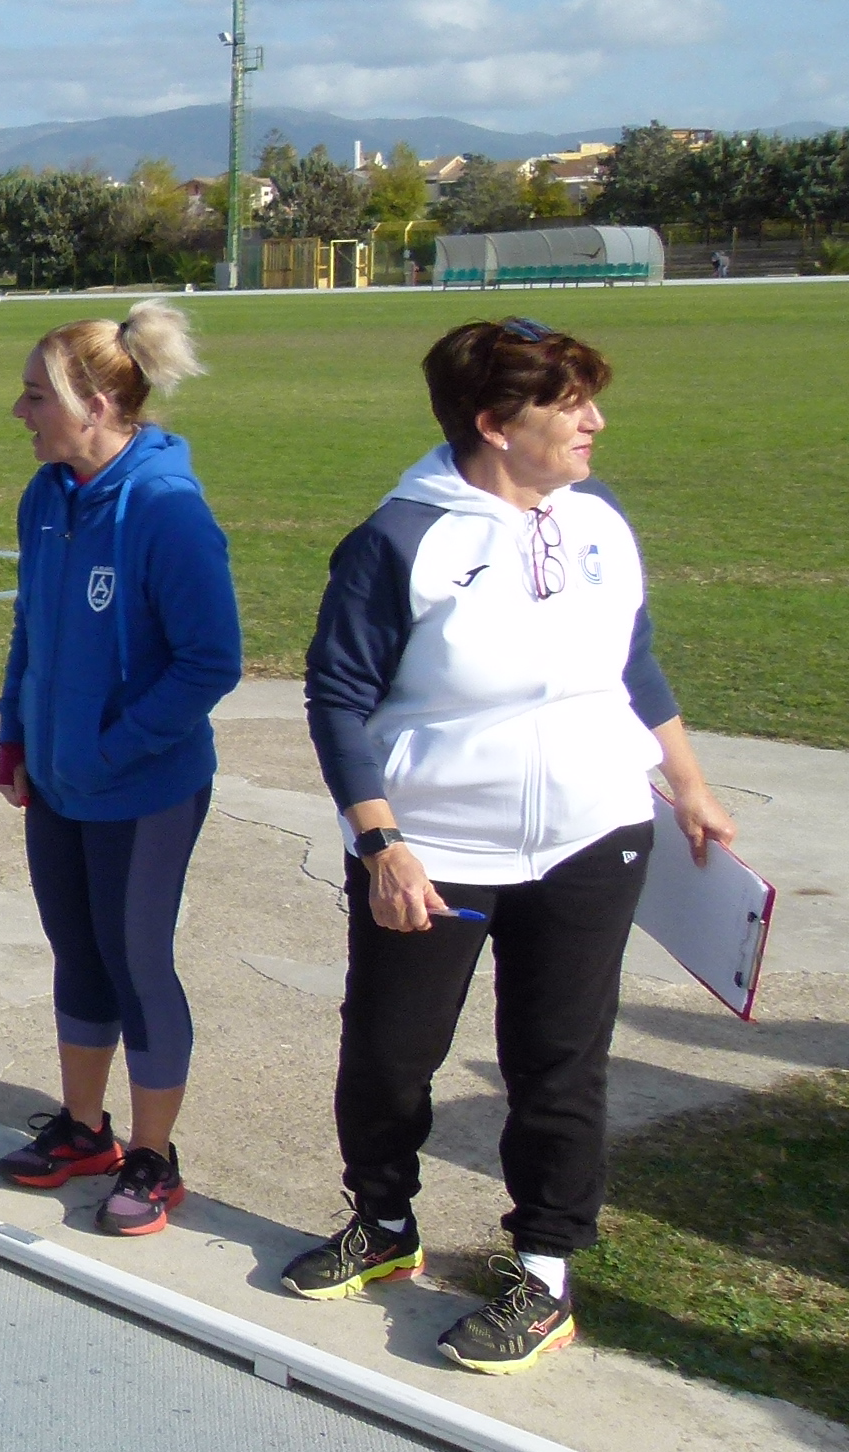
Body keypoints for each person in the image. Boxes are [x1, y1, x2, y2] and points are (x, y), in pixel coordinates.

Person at [281, 317, 736, 1375]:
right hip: (433, 849)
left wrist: (690, 784)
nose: (595, 422)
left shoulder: (599, 520)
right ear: (494, 424)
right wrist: (382, 842)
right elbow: (338, 697)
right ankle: (383, 1225)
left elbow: (634, 663)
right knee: (390, 1056)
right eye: (567, 406)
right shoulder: (402, 538)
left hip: (594, 836)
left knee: (560, 1060)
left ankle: (545, 1274)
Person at [0, 303, 244, 1235]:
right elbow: (31, 625)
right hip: (58, 779)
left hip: (142, 789)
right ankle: (84, 1131)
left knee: (137, 961)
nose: (20, 412)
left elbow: (210, 662)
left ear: (94, 406)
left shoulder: (167, 510)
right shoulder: (47, 496)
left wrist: (108, 749)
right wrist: (17, 733)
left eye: (36, 396)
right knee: (78, 952)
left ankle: (153, 1157)